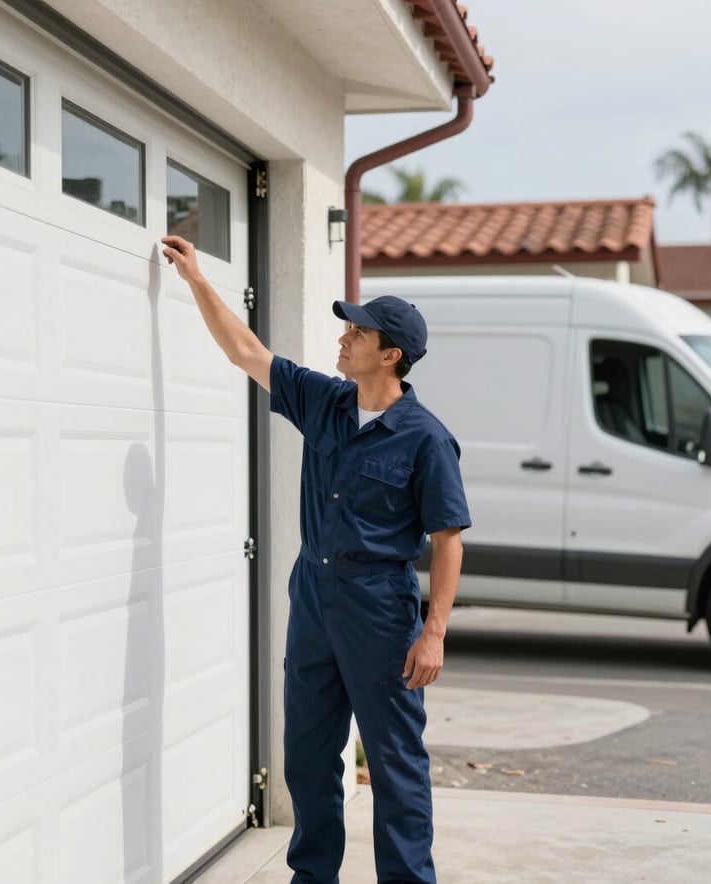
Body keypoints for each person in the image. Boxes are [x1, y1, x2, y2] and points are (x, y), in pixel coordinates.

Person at [161, 235, 470, 884]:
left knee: (395, 768)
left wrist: (434, 631)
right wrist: (195, 280)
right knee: (307, 756)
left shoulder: (427, 440)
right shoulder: (324, 402)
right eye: (347, 327)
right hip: (314, 603)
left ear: (391, 354)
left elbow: (448, 540)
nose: (344, 337)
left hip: (381, 613)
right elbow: (246, 351)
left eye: (358, 332)